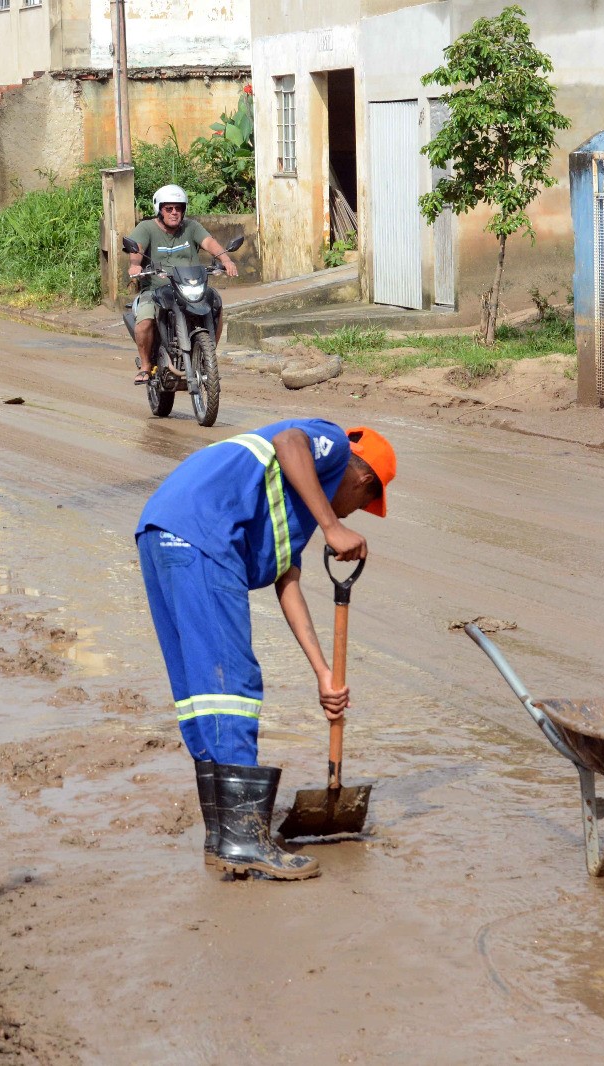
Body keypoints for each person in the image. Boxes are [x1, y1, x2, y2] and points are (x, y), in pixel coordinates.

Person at [136, 419, 396, 880]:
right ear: (362, 479)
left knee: (201, 692)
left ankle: (223, 835)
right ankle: (245, 841)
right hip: (203, 538)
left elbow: (287, 582)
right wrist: (333, 525)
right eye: (361, 505)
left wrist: (323, 674)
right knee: (232, 684)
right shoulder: (331, 444)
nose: (355, 513)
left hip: (164, 531)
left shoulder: (286, 506)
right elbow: (289, 439)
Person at [126, 184, 237, 385]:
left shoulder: (191, 227)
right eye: (169, 208)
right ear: (159, 209)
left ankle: (207, 357)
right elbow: (137, 248)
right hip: (156, 289)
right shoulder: (147, 228)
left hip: (189, 285)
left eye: (178, 208)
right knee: (144, 321)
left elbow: (209, 242)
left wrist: (226, 260)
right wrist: (135, 265)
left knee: (216, 304)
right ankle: (145, 366)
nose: (174, 213)